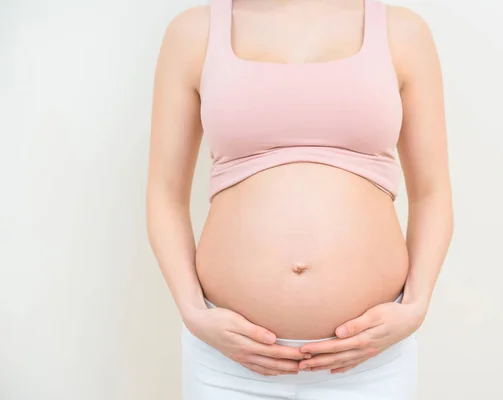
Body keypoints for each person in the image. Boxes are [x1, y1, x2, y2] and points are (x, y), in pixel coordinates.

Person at [146, 0, 453, 398]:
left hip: (370, 361)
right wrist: (191, 311)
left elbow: (432, 193)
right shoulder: (193, 32)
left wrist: (415, 305)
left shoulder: (402, 30)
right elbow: (164, 195)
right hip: (229, 364)